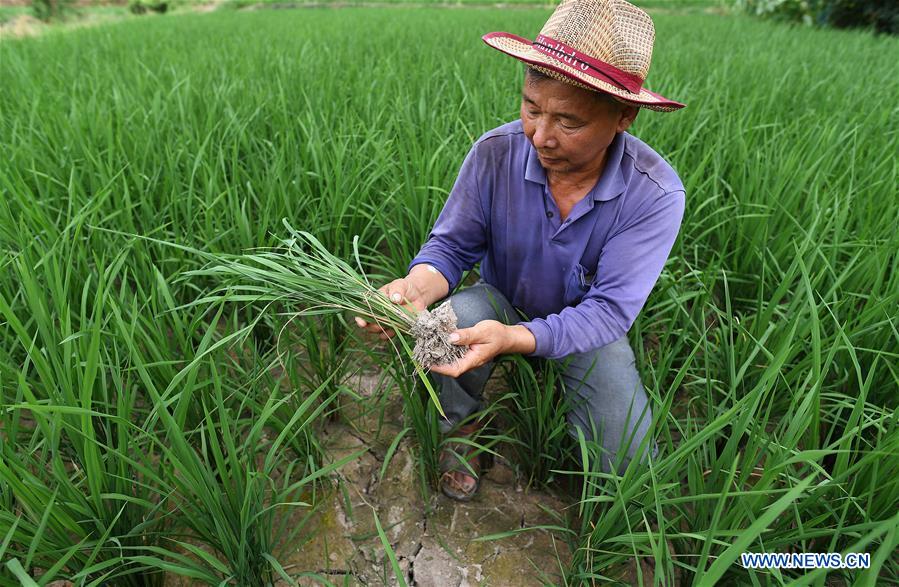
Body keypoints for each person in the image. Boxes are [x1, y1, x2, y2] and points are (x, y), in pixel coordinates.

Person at [355, 0, 686, 501]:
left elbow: (609, 312)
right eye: (531, 108)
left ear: (625, 115)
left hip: (586, 327)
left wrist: (515, 338)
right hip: (500, 298)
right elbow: (451, 246)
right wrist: (413, 289)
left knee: (632, 469)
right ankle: (458, 430)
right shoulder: (496, 152)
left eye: (568, 122)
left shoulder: (654, 194)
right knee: (445, 323)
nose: (540, 136)